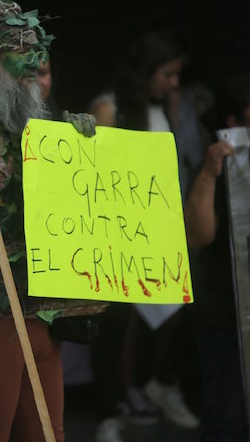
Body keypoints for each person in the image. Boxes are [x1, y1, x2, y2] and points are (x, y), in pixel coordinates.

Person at [0, 0, 106, 441]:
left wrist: (79, 149)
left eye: (38, 51)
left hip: (39, 313)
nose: (35, 62)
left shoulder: (24, 122)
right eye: (22, 51)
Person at [89, 28, 208, 442]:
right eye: (167, 74)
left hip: (160, 231)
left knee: (174, 307)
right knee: (116, 321)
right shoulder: (110, 108)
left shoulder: (164, 110)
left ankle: (150, 385)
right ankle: (110, 409)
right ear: (146, 70)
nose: (174, 83)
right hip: (117, 232)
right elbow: (94, 174)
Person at [184, 74, 250, 442]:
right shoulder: (215, 167)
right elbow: (198, 236)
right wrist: (210, 174)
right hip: (226, 317)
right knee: (227, 420)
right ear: (234, 123)